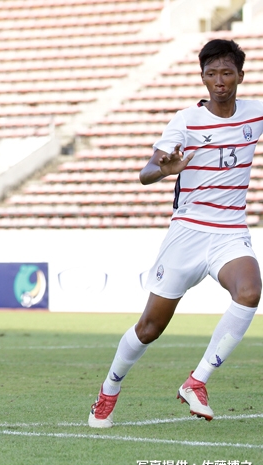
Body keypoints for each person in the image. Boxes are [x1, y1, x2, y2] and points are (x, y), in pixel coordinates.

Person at [88, 39, 262, 428]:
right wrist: (165, 170)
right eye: (212, 73)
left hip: (230, 232)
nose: (220, 81)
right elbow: (145, 173)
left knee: (250, 291)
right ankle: (109, 389)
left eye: (227, 73)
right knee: (150, 327)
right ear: (202, 78)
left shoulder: (254, 114)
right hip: (188, 233)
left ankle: (196, 382)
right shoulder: (185, 121)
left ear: (240, 76)